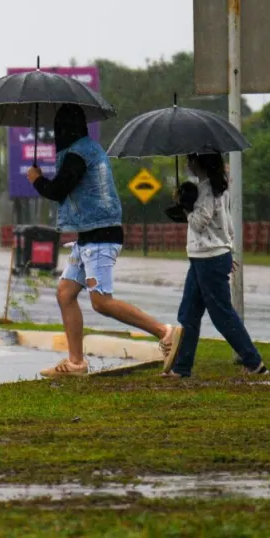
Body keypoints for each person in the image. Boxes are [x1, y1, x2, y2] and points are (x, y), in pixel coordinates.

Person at [27, 105, 183, 376]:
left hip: (101, 236)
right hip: (88, 235)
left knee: (101, 302)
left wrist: (37, 180)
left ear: (67, 128)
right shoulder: (81, 149)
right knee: (65, 293)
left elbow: (58, 189)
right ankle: (76, 362)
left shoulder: (79, 153)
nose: (56, 134)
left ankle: (164, 332)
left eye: (59, 128)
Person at [165, 153, 268, 378]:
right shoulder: (216, 188)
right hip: (204, 257)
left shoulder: (207, 190)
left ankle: (254, 362)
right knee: (189, 313)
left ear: (200, 163)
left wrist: (184, 207)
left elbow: (199, 223)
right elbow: (227, 224)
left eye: (191, 160)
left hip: (208, 259)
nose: (188, 163)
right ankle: (182, 368)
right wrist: (228, 250)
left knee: (222, 314)